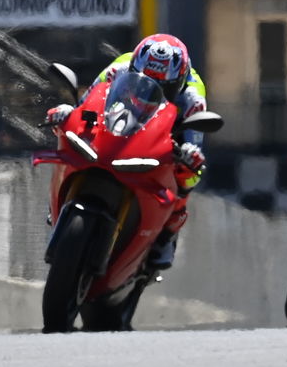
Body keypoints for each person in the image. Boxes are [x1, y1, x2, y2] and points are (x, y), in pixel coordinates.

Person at [46, 33, 208, 271]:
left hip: (167, 132)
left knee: (190, 176)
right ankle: (59, 198)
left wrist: (190, 153)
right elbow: (89, 102)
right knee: (71, 138)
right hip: (122, 120)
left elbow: (195, 141)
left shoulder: (193, 98)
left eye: (164, 86)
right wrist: (68, 111)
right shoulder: (119, 68)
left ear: (179, 81)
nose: (153, 89)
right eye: (145, 79)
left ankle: (167, 236)